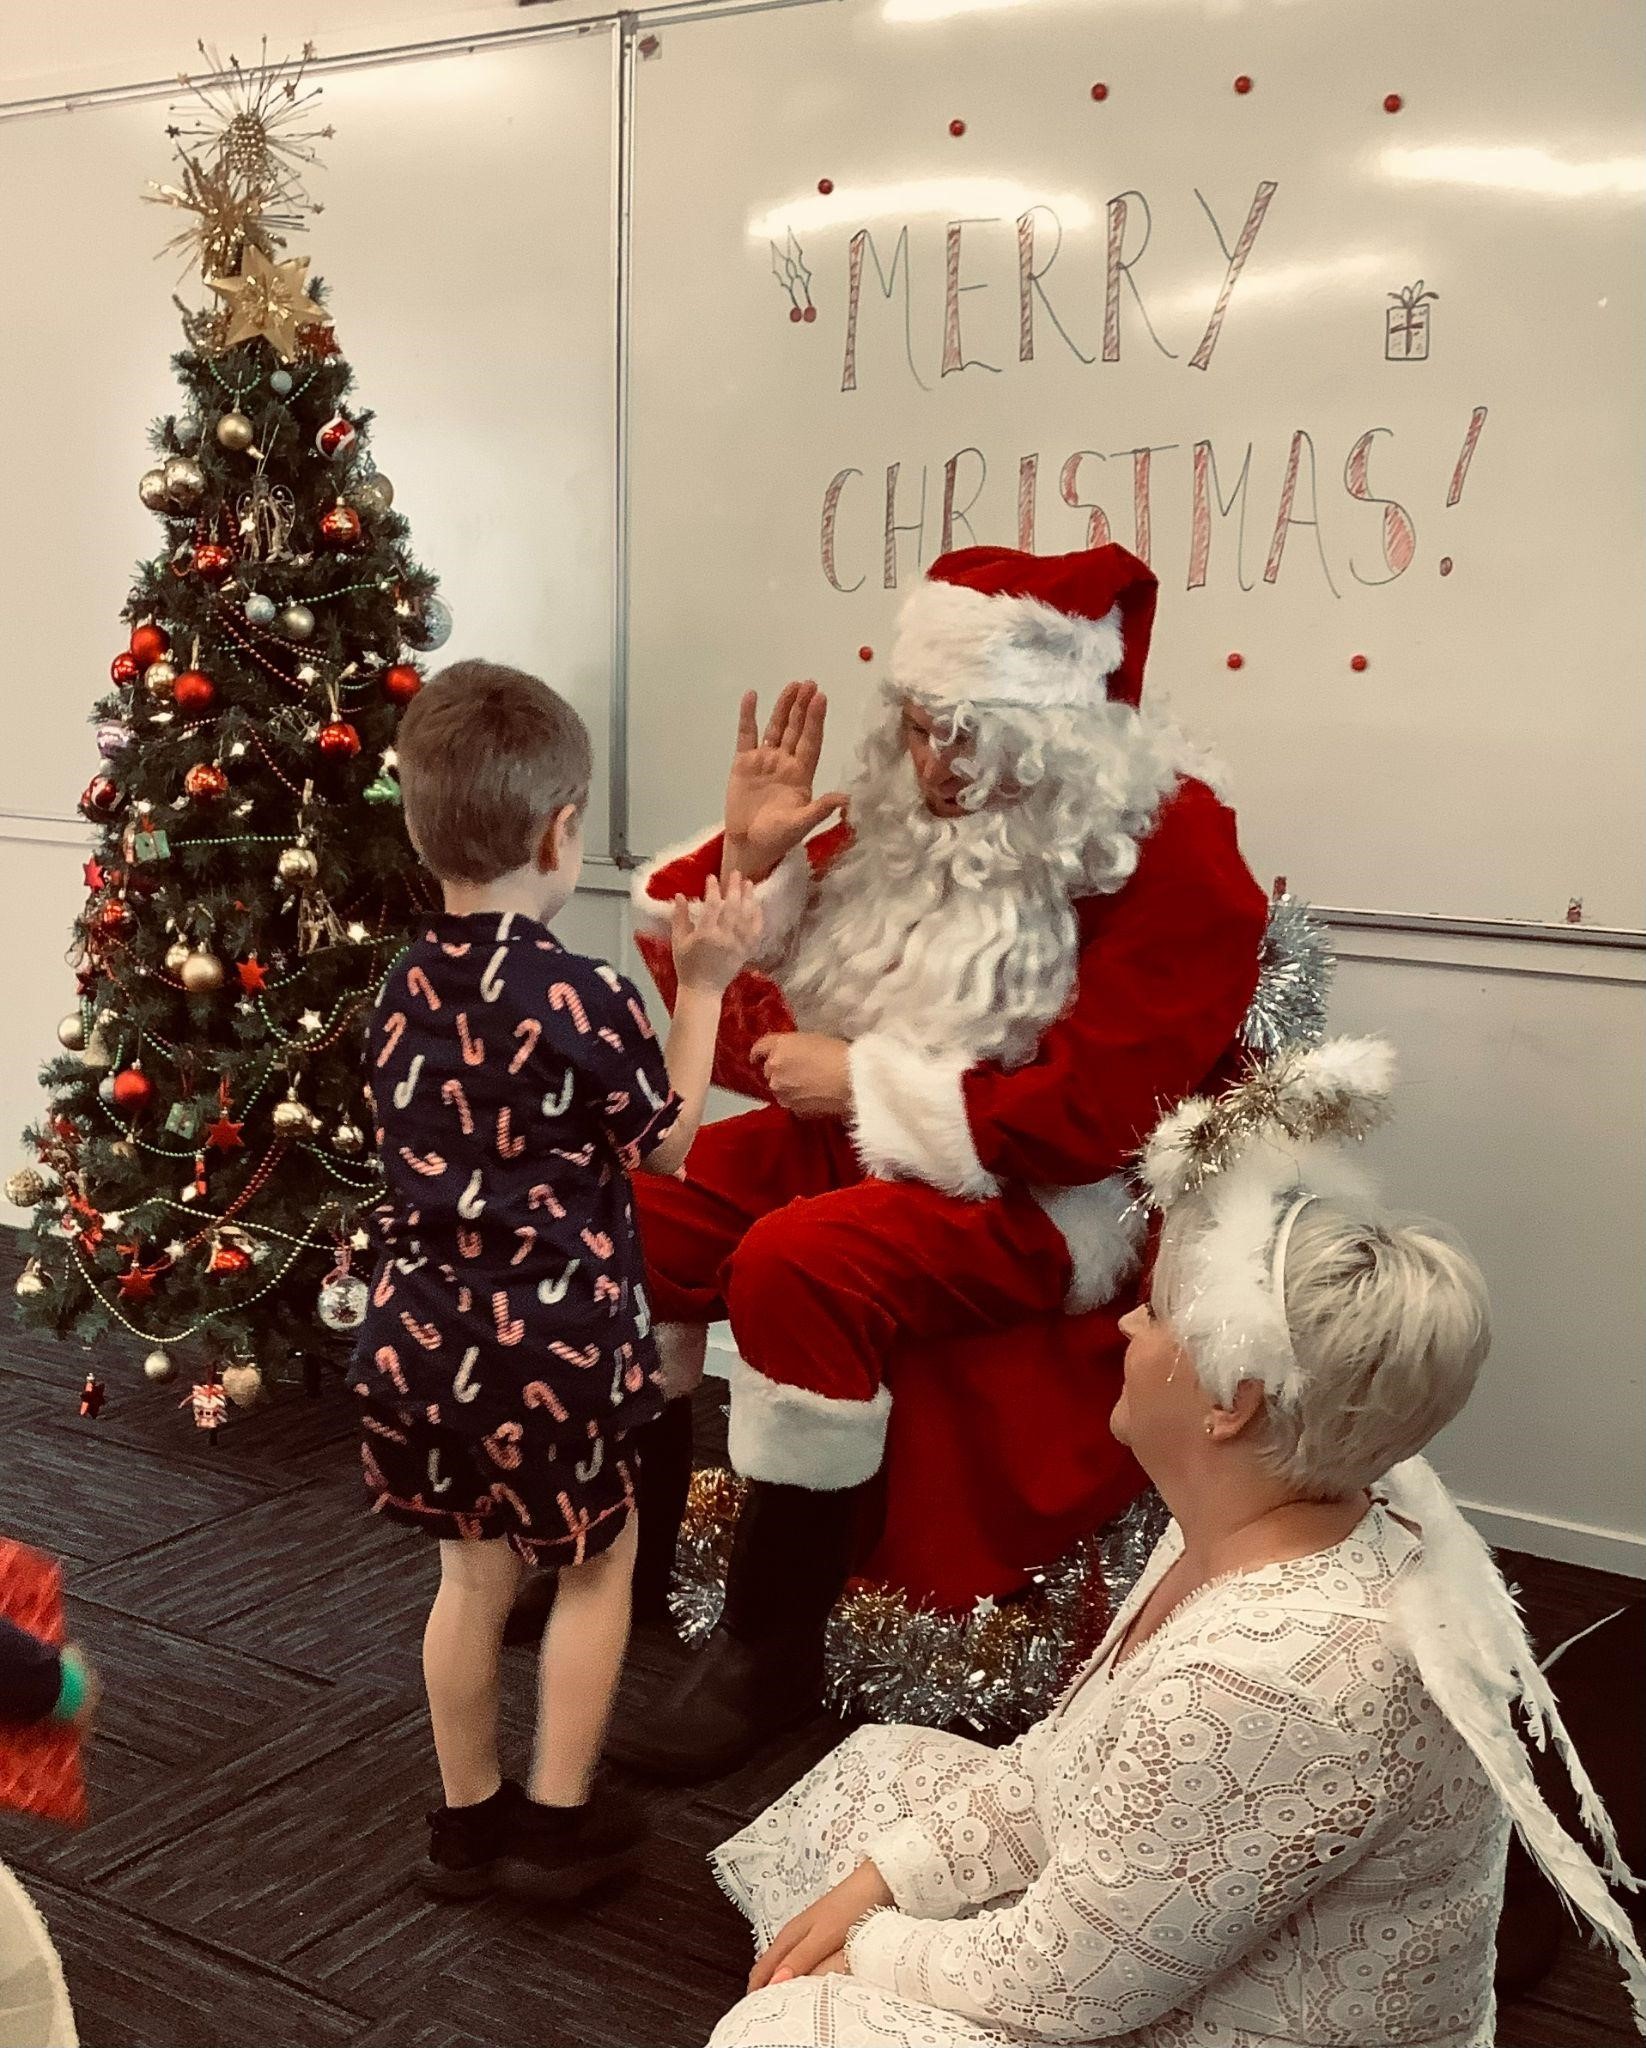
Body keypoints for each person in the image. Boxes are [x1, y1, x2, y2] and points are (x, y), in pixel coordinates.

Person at [704, 1038, 1646, 2048]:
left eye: (1153, 1312)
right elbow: (1061, 1761)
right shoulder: (1257, 1507)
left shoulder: (1263, 1677)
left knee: (785, 2029)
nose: (1125, 1329)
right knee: (878, 1775)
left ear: (1232, 1402)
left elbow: (1068, 1988)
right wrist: (881, 1885)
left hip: (1214, 2017)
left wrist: (864, 1951)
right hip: (1151, 1931)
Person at [607, 542, 1271, 1778]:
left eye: (966, 737)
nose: (932, 767)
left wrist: (864, 1084)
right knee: (625, 1211)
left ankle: (768, 1647)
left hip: (1037, 1192)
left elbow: (1101, 1114)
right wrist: (750, 860)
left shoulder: (1167, 847)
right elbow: (735, 1017)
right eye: (916, 729)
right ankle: (622, 1555)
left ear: (1058, 730)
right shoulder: (905, 815)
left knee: (798, 1261)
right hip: (857, 1141)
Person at [352, 660, 760, 1900]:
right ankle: (554, 1822)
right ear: (560, 831)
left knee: (469, 1575)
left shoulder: (399, 987)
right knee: (596, 1562)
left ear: (421, 827)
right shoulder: (579, 995)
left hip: (417, 1341)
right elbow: (665, 1141)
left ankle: (465, 1821)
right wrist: (702, 984)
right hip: (552, 1351)